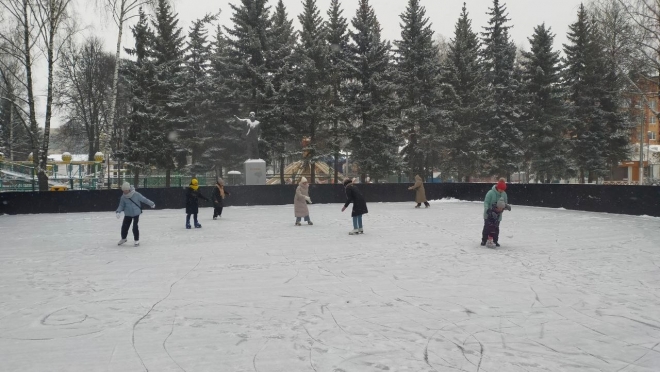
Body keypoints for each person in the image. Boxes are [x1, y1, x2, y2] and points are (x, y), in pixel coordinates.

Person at [116, 182, 155, 246]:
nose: (125, 191)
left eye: (126, 190)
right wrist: (118, 212)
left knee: (135, 227)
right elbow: (121, 205)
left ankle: (136, 240)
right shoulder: (123, 197)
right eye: (124, 190)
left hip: (136, 213)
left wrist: (151, 203)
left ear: (129, 189)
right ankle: (123, 238)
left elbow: (144, 200)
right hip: (128, 214)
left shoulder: (136, 194)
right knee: (124, 226)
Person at [481, 178, 511, 247]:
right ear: (498, 187)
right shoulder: (490, 193)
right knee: (487, 227)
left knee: (496, 228)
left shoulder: (504, 194)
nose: (502, 191)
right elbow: (486, 202)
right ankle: (484, 240)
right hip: (488, 214)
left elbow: (505, 203)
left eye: (503, 190)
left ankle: (495, 240)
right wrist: (487, 210)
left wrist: (506, 206)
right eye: (501, 189)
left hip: (498, 215)